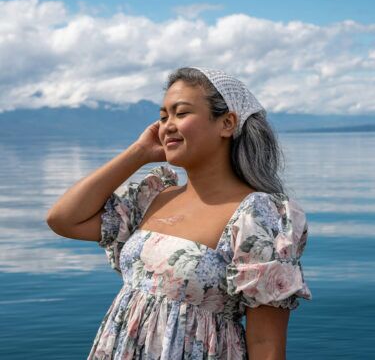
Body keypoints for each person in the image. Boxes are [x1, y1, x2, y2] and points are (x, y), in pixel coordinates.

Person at [46, 66, 312, 359]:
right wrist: (138, 152)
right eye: (163, 117)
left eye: (181, 113)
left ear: (227, 123)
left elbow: (265, 344)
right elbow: (63, 219)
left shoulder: (256, 216)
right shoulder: (154, 197)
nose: (167, 126)